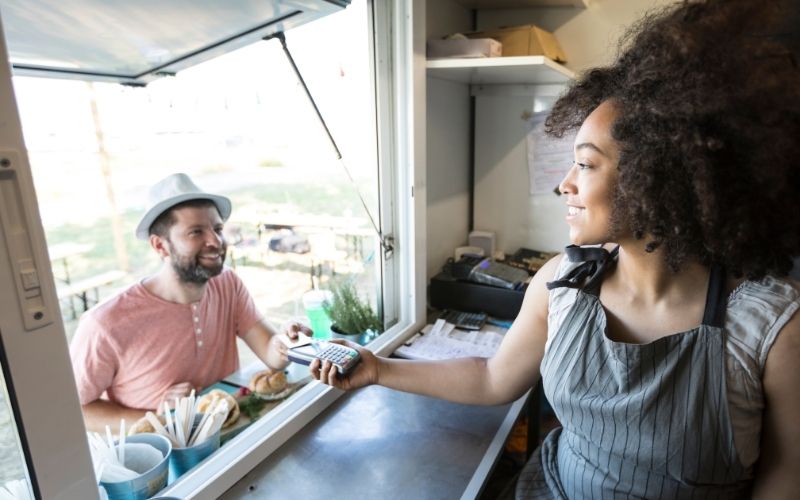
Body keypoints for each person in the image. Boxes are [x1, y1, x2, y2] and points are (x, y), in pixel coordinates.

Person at [312, 1, 800, 498]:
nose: (564, 184)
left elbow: (785, 480)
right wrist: (377, 369)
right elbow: (491, 379)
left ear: (658, 179)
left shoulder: (772, 329)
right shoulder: (561, 283)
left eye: (586, 166)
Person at [70, 173, 311, 433]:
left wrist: (288, 343)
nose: (216, 242)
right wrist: (160, 419)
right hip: (165, 455)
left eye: (217, 229)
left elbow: (271, 352)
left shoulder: (227, 283)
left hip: (230, 434)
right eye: (196, 232)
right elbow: (76, 410)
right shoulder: (105, 322)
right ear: (160, 246)